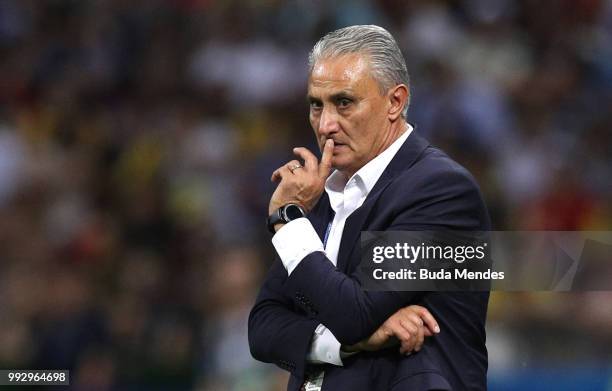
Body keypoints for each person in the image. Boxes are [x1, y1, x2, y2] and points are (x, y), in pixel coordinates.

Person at [249, 25, 490, 390]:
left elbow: (355, 313)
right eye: (317, 105)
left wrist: (287, 218)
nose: (326, 124)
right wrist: (346, 345)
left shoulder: (442, 191)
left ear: (394, 102)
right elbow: (262, 329)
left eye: (344, 102)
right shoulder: (321, 194)